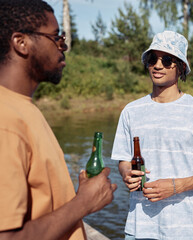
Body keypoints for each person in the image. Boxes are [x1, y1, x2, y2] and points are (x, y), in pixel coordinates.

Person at [0, 1, 117, 239]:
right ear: (21, 43)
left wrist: (79, 197)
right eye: (56, 38)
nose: (63, 47)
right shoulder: (6, 121)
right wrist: (83, 203)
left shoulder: (23, 108)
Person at [111, 30, 193, 239]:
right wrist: (127, 172)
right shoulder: (131, 111)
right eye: (152, 59)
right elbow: (123, 160)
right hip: (139, 229)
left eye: (166, 60)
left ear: (181, 67)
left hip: (187, 230)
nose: (157, 65)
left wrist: (176, 186)